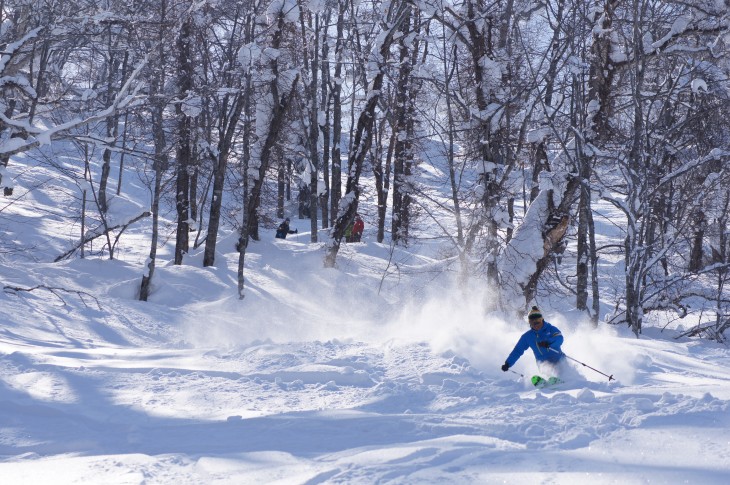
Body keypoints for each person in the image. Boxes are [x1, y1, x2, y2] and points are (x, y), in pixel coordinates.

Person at [501, 306, 564, 373]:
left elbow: (559, 338)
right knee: (547, 371)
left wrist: (549, 342)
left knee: (559, 370)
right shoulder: (527, 336)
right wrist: (508, 364)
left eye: (538, 321)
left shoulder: (551, 329)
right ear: (529, 323)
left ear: (542, 319)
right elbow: (518, 350)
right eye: (532, 322)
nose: (536, 324)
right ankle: (546, 380)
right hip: (544, 366)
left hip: (559, 360)